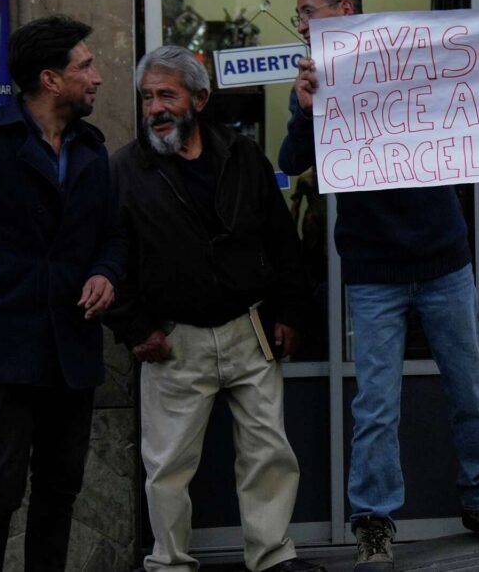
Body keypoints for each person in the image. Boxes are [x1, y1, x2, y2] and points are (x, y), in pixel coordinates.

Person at [278, 0, 479, 572]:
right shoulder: (313, 79)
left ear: (343, 11)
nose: (301, 24)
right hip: (374, 271)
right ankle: (374, 524)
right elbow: (293, 159)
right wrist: (305, 108)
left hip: (443, 262)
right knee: (376, 405)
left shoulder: (415, 55)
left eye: (307, 12)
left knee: (470, 389)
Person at [105, 46, 322, 572]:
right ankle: (170, 563)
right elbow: (110, 256)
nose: (154, 108)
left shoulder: (242, 155)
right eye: (147, 97)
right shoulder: (125, 170)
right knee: (168, 466)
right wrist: (136, 328)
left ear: (199, 99)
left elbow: (281, 240)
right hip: (174, 341)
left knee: (268, 452)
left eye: (166, 95)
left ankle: (272, 557)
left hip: (249, 329)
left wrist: (289, 312)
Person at [0, 15, 126, 571]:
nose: (96, 76)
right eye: (84, 65)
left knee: (60, 490)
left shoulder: (92, 149)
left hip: (72, 348)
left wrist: (106, 274)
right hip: (4, 349)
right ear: (49, 79)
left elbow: (111, 236)